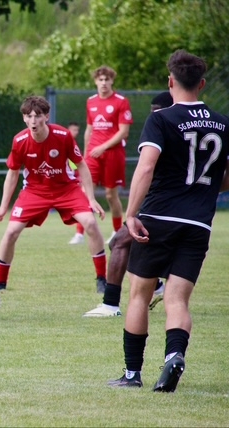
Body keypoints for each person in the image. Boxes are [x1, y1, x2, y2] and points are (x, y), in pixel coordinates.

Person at [107, 50, 229, 392]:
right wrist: (203, 189)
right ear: (202, 84)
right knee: (177, 298)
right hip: (199, 224)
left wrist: (131, 214)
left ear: (170, 81)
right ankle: (174, 355)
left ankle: (132, 374)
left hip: (158, 218)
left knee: (139, 294)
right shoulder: (223, 123)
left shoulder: (161, 119)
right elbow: (225, 177)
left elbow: (146, 166)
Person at [0, 96, 107, 294]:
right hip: (34, 191)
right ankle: (1, 283)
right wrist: (3, 207)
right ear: (24, 118)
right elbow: (12, 174)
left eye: (38, 116)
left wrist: (91, 198)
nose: (33, 121)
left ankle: (102, 279)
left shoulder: (63, 136)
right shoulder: (19, 141)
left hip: (66, 189)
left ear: (46, 116)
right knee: (11, 232)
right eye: (29, 116)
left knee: (90, 223)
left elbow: (81, 165)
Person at [83, 91, 173, 317]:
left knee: (119, 242)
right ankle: (158, 287)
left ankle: (111, 305)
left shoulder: (162, 130)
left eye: (157, 111)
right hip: (192, 212)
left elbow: (146, 170)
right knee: (136, 245)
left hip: (161, 206)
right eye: (152, 111)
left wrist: (132, 213)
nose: (153, 115)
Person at [80, 66, 133, 246]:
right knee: (85, 192)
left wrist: (103, 147)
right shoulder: (90, 101)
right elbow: (89, 129)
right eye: (100, 80)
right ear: (96, 81)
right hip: (93, 154)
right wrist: (84, 155)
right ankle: (80, 233)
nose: (103, 83)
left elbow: (124, 132)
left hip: (112, 153)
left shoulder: (121, 101)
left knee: (111, 195)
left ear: (112, 81)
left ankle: (117, 231)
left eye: (106, 80)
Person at [66, 121, 88, 245]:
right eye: (74, 130)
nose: (76, 132)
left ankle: (80, 234)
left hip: (76, 177)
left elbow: (78, 164)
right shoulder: (63, 142)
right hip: (69, 178)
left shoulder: (74, 144)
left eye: (77, 130)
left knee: (82, 202)